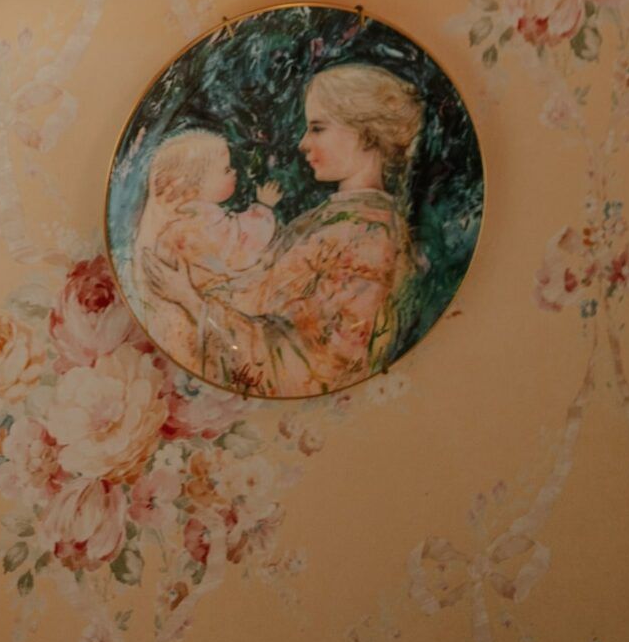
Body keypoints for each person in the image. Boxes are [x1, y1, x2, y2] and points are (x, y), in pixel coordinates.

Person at [138, 63, 424, 397]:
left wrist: (190, 299)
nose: (303, 143)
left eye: (317, 128)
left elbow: (312, 368)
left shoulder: (368, 237)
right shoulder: (338, 219)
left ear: (366, 135)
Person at [129, 130, 278, 373]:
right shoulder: (205, 222)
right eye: (226, 170)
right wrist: (263, 208)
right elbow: (241, 243)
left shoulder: (178, 222)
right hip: (214, 306)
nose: (235, 173)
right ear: (195, 183)